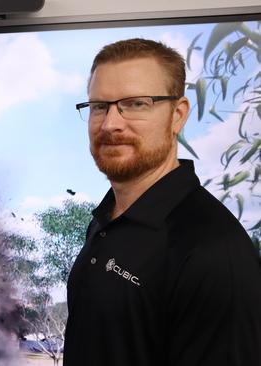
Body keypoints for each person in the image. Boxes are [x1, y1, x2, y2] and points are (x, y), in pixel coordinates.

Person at [65, 38, 261, 366]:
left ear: (178, 114)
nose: (110, 123)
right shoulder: (106, 219)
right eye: (99, 106)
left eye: (136, 103)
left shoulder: (214, 253)